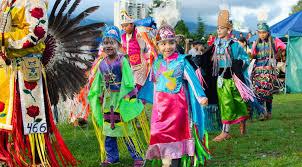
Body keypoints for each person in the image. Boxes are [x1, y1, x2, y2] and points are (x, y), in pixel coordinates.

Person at [0, 0, 77, 166]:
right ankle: (10, 156)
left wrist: (4, 38)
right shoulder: (9, 2)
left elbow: (36, 33)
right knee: (9, 117)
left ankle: (38, 159)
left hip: (27, 67)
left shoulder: (33, 1)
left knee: (32, 116)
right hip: (9, 70)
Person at [140, 22, 210, 167]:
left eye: (171, 43)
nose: (167, 47)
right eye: (163, 44)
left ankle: (175, 163)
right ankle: (166, 163)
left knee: (175, 137)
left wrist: (200, 96)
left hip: (177, 109)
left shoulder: (181, 61)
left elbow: (192, 80)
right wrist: (144, 100)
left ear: (175, 43)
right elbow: (152, 84)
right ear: (158, 45)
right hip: (159, 111)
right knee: (159, 135)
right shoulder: (156, 63)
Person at [88, 26, 148, 167]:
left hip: (122, 100)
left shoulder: (122, 61)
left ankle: (137, 156)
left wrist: (127, 96)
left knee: (126, 129)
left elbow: (128, 80)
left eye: (112, 42)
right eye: (106, 43)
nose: (108, 46)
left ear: (118, 45)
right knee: (109, 130)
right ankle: (112, 157)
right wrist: (98, 94)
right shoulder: (101, 64)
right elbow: (98, 82)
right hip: (108, 101)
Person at [193, 10, 250, 142]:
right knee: (225, 104)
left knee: (238, 101)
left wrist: (240, 63)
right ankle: (225, 132)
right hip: (220, 79)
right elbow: (207, 57)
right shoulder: (215, 45)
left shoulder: (234, 45)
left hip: (234, 79)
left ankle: (242, 120)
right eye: (218, 28)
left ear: (229, 29)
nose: (219, 30)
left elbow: (245, 59)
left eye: (222, 28)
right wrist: (199, 60)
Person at [251, 21, 286, 120]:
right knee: (259, 91)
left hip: (269, 69)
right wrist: (252, 55)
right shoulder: (256, 43)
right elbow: (253, 55)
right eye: (260, 32)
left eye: (264, 32)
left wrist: (276, 56)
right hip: (258, 69)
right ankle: (262, 112)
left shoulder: (274, 40)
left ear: (268, 32)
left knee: (268, 91)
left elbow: (283, 47)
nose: (262, 34)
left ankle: (268, 112)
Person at [120, 11, 149, 90]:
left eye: (125, 26)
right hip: (129, 67)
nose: (124, 28)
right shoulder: (123, 37)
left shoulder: (138, 34)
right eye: (122, 26)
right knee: (129, 88)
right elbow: (122, 50)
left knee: (137, 89)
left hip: (140, 67)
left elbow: (146, 48)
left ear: (132, 24)